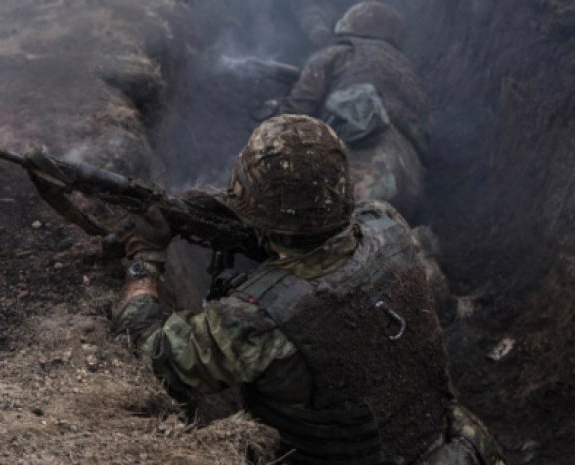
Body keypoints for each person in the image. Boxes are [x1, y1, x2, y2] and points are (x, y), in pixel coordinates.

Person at [110, 115, 503, 465]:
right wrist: (198, 210)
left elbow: (152, 353)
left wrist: (144, 257)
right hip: (455, 445)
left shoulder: (259, 319)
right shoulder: (388, 225)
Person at [280, 1, 428, 219]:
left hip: (359, 172)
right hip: (412, 183)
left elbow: (297, 109)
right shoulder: (409, 73)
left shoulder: (339, 52)